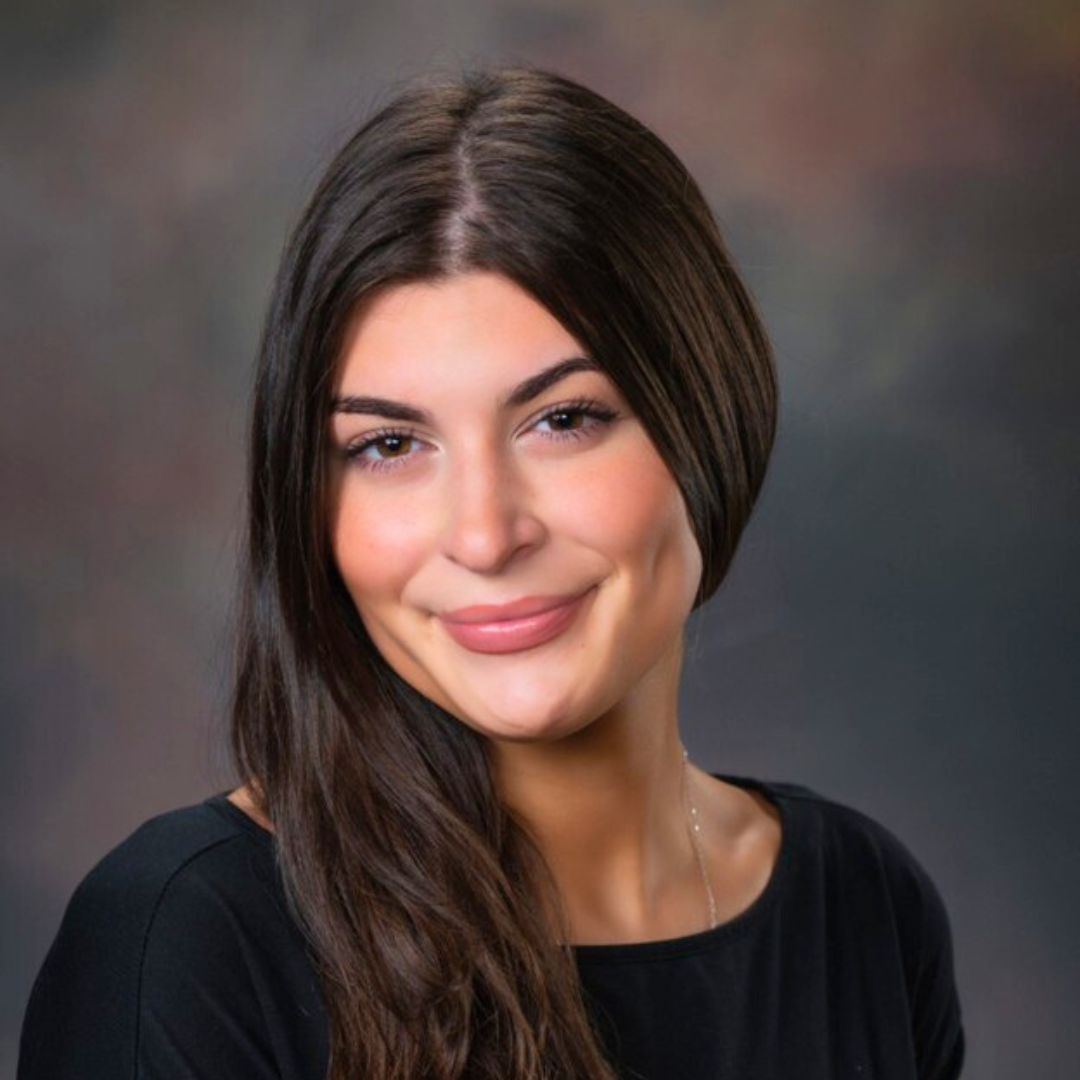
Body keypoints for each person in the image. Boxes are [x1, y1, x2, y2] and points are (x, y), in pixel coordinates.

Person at [17, 64, 965, 1080]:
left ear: (711, 425)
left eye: (564, 420)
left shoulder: (864, 904)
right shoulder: (189, 940)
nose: (483, 534)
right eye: (388, 445)